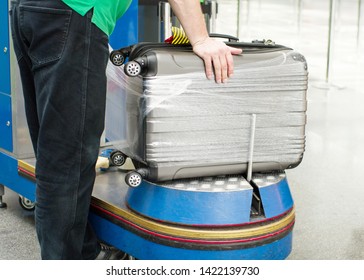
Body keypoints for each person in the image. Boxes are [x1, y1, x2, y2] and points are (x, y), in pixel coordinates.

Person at [9, 0, 242, 260]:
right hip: (73, 13)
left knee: (55, 155)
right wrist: (200, 38)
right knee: (66, 164)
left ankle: (84, 253)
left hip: (30, 11)